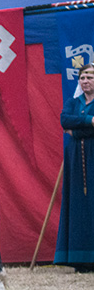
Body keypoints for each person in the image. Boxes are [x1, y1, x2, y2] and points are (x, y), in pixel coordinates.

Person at [55, 63, 94, 272]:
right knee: (78, 205)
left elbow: (71, 126)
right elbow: (64, 120)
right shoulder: (73, 102)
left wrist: (76, 130)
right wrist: (89, 121)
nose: (85, 81)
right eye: (82, 78)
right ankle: (80, 259)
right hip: (76, 162)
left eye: (89, 77)